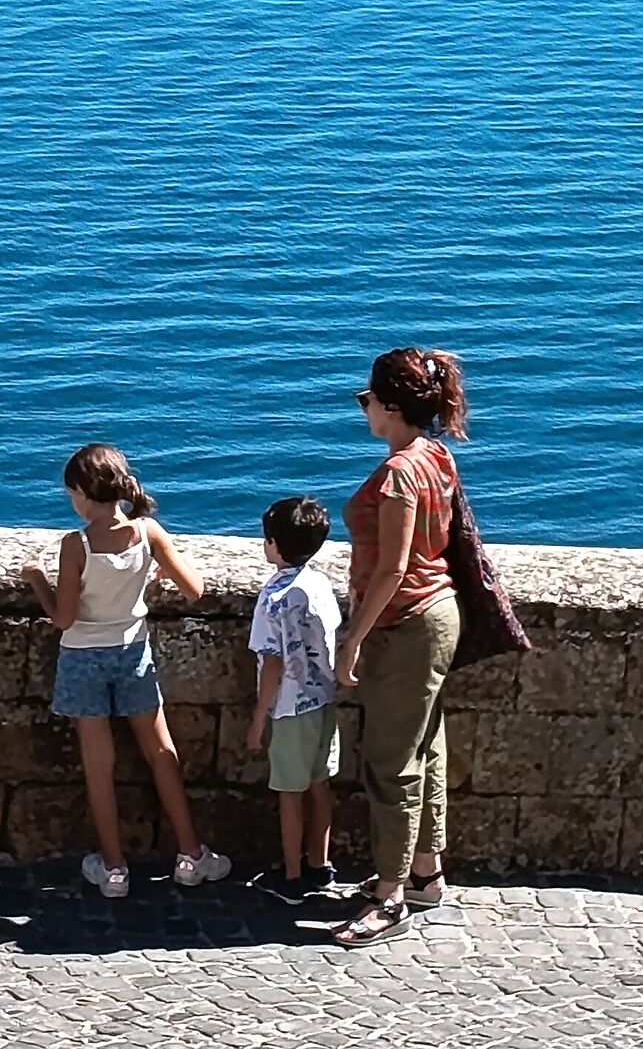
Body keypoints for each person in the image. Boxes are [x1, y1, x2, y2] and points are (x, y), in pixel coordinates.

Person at [22, 443, 233, 899]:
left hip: (83, 658)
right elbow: (195, 589)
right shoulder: (148, 532)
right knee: (162, 753)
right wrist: (152, 576)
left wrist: (37, 579)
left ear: (81, 493)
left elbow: (63, 618)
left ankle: (114, 868)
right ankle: (192, 854)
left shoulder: (75, 545)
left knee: (100, 766)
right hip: (132, 652)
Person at [330, 347, 468, 946]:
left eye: (367, 400)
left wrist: (351, 638)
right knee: (426, 746)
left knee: (390, 763)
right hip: (440, 614)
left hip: (405, 622)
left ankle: (389, 897)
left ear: (389, 407)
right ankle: (425, 872)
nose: (363, 410)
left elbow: (391, 569)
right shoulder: (437, 456)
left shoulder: (397, 476)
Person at [243, 494, 342, 902]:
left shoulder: (274, 600)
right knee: (320, 784)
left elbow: (272, 665)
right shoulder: (318, 584)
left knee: (289, 793)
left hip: (288, 708)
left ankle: (292, 874)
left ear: (276, 545)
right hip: (323, 700)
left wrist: (257, 720)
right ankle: (320, 864)